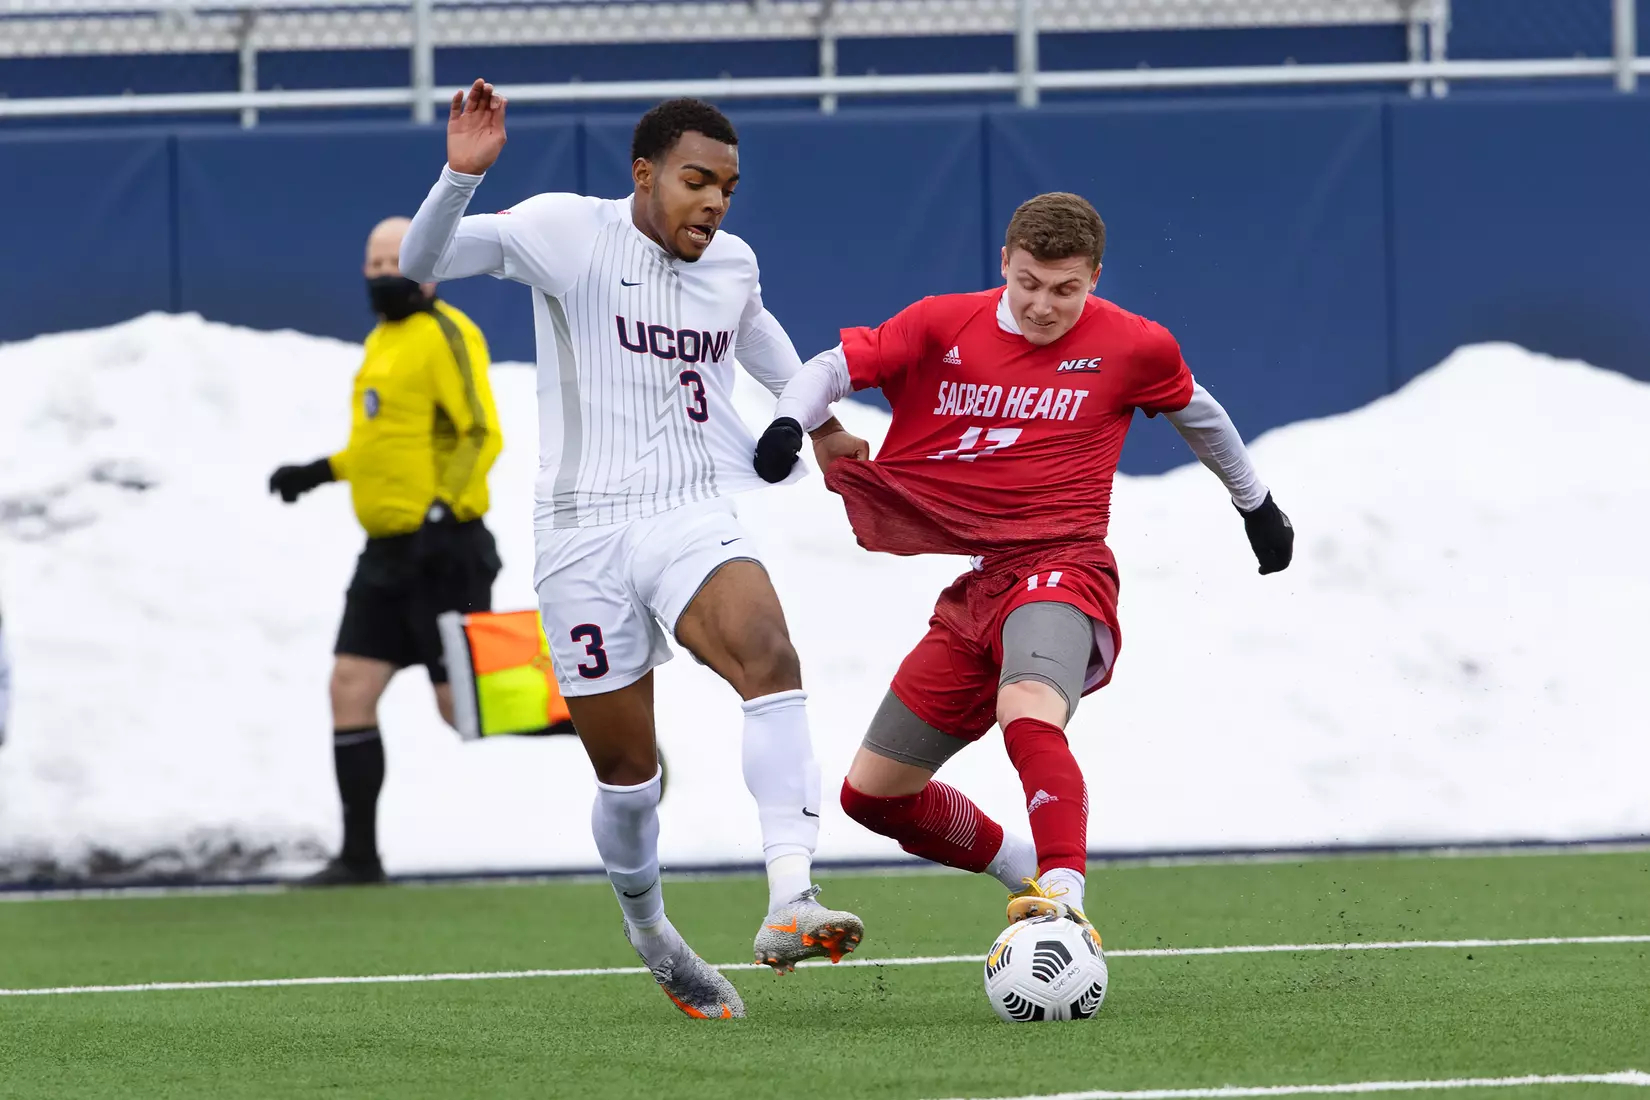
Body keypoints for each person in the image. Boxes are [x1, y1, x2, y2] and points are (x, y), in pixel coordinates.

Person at [398, 82, 869, 1020]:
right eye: (698, 181)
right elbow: (425, 261)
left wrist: (817, 424)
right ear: (645, 174)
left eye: (729, 188)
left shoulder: (731, 262)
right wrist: (461, 174)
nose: (715, 204)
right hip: (580, 531)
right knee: (627, 772)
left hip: (691, 510)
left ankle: (789, 897)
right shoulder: (565, 232)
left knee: (769, 656)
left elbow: (761, 339)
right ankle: (652, 931)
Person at [754, 191, 1294, 942]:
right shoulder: (943, 322)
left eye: (1066, 289)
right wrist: (790, 421)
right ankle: (1027, 877)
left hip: (1065, 563)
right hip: (981, 584)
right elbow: (833, 367)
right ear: (1004, 263)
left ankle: (1066, 897)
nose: (1044, 305)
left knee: (1028, 707)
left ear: (1096, 278)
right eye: (1030, 283)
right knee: (874, 796)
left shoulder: (1135, 346)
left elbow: (1197, 411)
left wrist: (1257, 505)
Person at [269, 216, 503, 886]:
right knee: (349, 686)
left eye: (392, 259)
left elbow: (480, 434)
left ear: (429, 264)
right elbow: (382, 445)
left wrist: (442, 511)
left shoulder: (447, 333)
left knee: (461, 706)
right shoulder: (381, 340)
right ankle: (360, 858)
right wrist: (320, 471)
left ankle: (603, 728)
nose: (379, 272)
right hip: (385, 556)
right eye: (371, 262)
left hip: (445, 549)